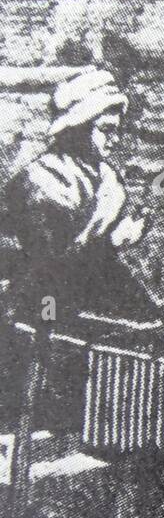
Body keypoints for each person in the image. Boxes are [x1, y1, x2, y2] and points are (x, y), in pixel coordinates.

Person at [0, 68, 155, 328]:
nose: (114, 140)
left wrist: (146, 312)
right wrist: (114, 241)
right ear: (78, 128)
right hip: (38, 309)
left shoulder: (107, 181)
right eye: (105, 130)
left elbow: (105, 271)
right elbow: (51, 267)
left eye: (117, 130)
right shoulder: (42, 181)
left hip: (79, 303)